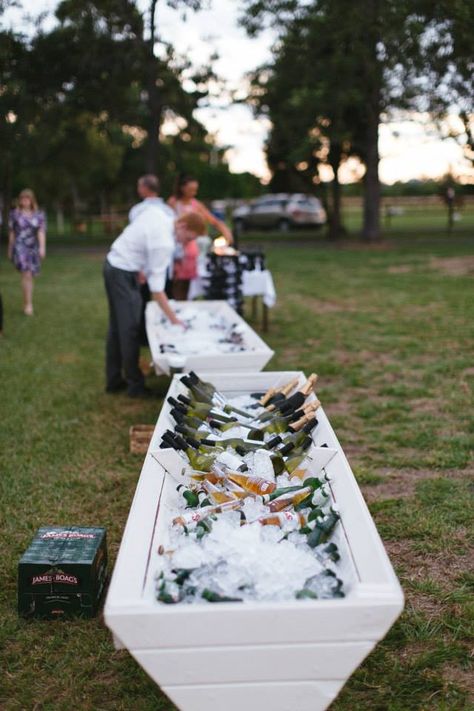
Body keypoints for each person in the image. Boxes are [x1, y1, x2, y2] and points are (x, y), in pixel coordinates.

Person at [104, 175, 182, 398]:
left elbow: (141, 236)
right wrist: (175, 319)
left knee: (118, 326)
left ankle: (114, 380)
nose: (183, 244)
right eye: (187, 238)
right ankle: (135, 385)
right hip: (121, 270)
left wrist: (141, 266)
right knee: (129, 328)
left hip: (117, 264)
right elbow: (157, 290)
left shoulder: (158, 214)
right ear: (183, 225)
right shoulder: (165, 239)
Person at [168, 174, 233, 300]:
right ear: (182, 188)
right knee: (177, 283)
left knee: (191, 281)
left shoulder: (196, 204)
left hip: (193, 251)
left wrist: (225, 230)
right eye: (191, 189)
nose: (194, 192)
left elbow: (214, 221)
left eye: (195, 189)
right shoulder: (173, 203)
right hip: (178, 249)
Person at [8, 189, 46, 316]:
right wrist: (10, 248)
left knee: (30, 275)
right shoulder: (15, 214)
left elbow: (41, 232)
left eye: (27, 198)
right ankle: (28, 304)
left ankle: (27, 302)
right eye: (22, 198)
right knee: (27, 274)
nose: (25, 201)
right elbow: (12, 233)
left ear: (31, 200)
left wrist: (42, 247)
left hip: (32, 247)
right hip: (20, 246)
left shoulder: (38, 215)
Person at [173, 211, 207, 300]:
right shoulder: (172, 241)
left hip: (187, 276)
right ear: (183, 226)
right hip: (177, 277)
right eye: (189, 239)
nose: (188, 241)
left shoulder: (183, 240)